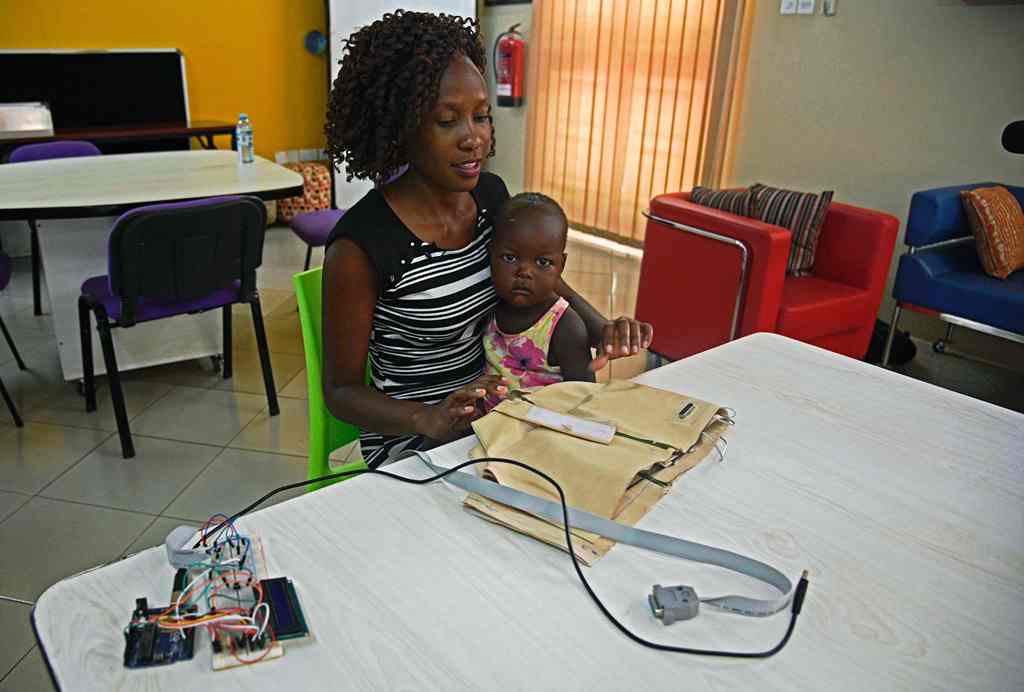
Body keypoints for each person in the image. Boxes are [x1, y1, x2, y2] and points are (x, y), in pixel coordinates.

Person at [322, 10, 652, 467]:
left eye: (481, 117)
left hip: (499, 406)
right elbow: (340, 393)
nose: (473, 138)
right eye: (447, 121)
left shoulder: (490, 197)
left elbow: (537, 275)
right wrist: (428, 418)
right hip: (414, 435)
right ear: (402, 127)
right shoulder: (362, 245)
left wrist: (601, 328)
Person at [481, 192, 593, 410]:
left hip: (542, 436)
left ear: (560, 266)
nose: (525, 272)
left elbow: (585, 399)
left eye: (542, 262)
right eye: (510, 258)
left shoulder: (565, 326)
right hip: (489, 430)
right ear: (490, 255)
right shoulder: (489, 305)